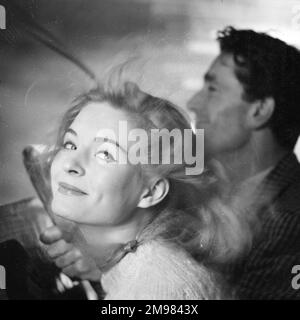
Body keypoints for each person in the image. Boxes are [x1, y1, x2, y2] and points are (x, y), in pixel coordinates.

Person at [40, 81, 247, 300]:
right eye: (70, 144)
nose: (69, 163)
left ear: (151, 192)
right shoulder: (142, 257)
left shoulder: (158, 288)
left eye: (105, 154)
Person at [187, 26, 300, 299]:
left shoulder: (290, 224)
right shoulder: (199, 187)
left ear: (259, 110)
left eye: (212, 89)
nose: (193, 103)